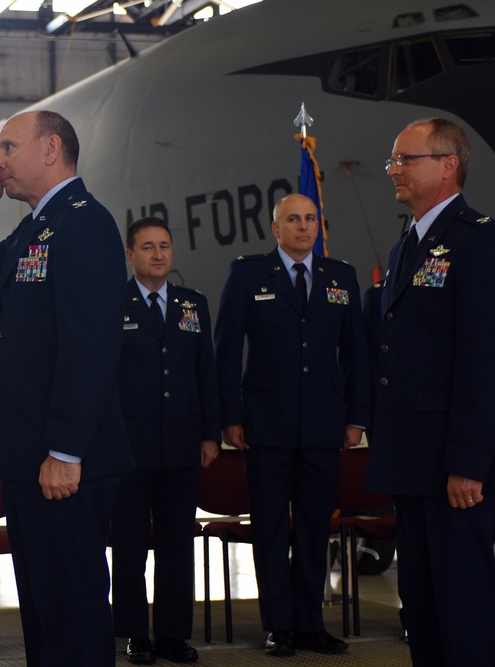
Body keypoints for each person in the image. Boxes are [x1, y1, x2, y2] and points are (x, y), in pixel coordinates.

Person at [0, 110, 132, 667]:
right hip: (32, 455)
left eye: (7, 147)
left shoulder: (84, 224)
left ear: (50, 150)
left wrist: (66, 451)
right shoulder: (38, 227)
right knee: (45, 612)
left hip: (62, 460)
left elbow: (91, 347)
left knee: (72, 613)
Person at [367, 118, 495, 666]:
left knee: (465, 613)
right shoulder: (408, 245)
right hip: (415, 461)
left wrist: (469, 462)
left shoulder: (482, 240)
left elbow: (487, 362)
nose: (393, 170)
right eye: (394, 159)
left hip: (457, 467)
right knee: (424, 610)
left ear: (447, 165)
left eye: (405, 159)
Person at [213, 193, 370, 657]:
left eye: (310, 219)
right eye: (293, 220)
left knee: (315, 528)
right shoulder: (248, 274)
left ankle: (310, 624)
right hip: (265, 426)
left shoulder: (340, 277)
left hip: (324, 427)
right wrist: (229, 416)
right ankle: (278, 625)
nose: (303, 227)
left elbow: (355, 352)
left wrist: (356, 416)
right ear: (275, 227)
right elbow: (226, 352)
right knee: (269, 528)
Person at [111, 217, 220, 664]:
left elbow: (205, 373)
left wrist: (210, 433)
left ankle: (174, 634)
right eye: (148, 247)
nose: (158, 254)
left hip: (180, 443)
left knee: (178, 542)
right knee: (130, 543)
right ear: (130, 254)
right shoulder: (113, 303)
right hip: (129, 447)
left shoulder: (192, 305)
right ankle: (136, 633)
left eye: (165, 246)